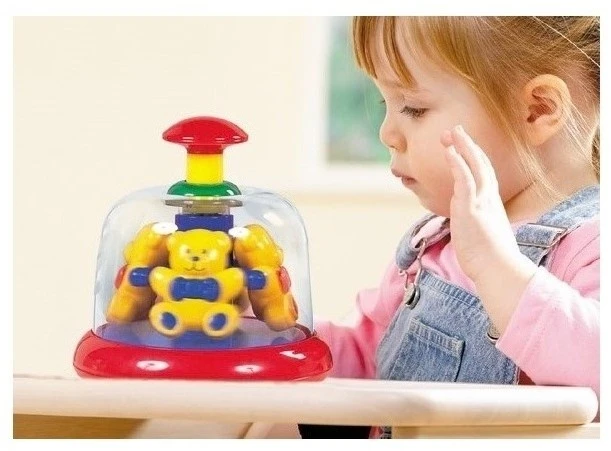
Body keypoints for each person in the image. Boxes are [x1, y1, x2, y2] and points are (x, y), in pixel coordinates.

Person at [306, 16, 600, 439]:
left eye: (414, 108)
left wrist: (496, 267)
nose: (387, 133)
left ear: (538, 110)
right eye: (385, 103)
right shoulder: (432, 242)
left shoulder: (592, 243)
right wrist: (279, 331)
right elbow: (369, 361)